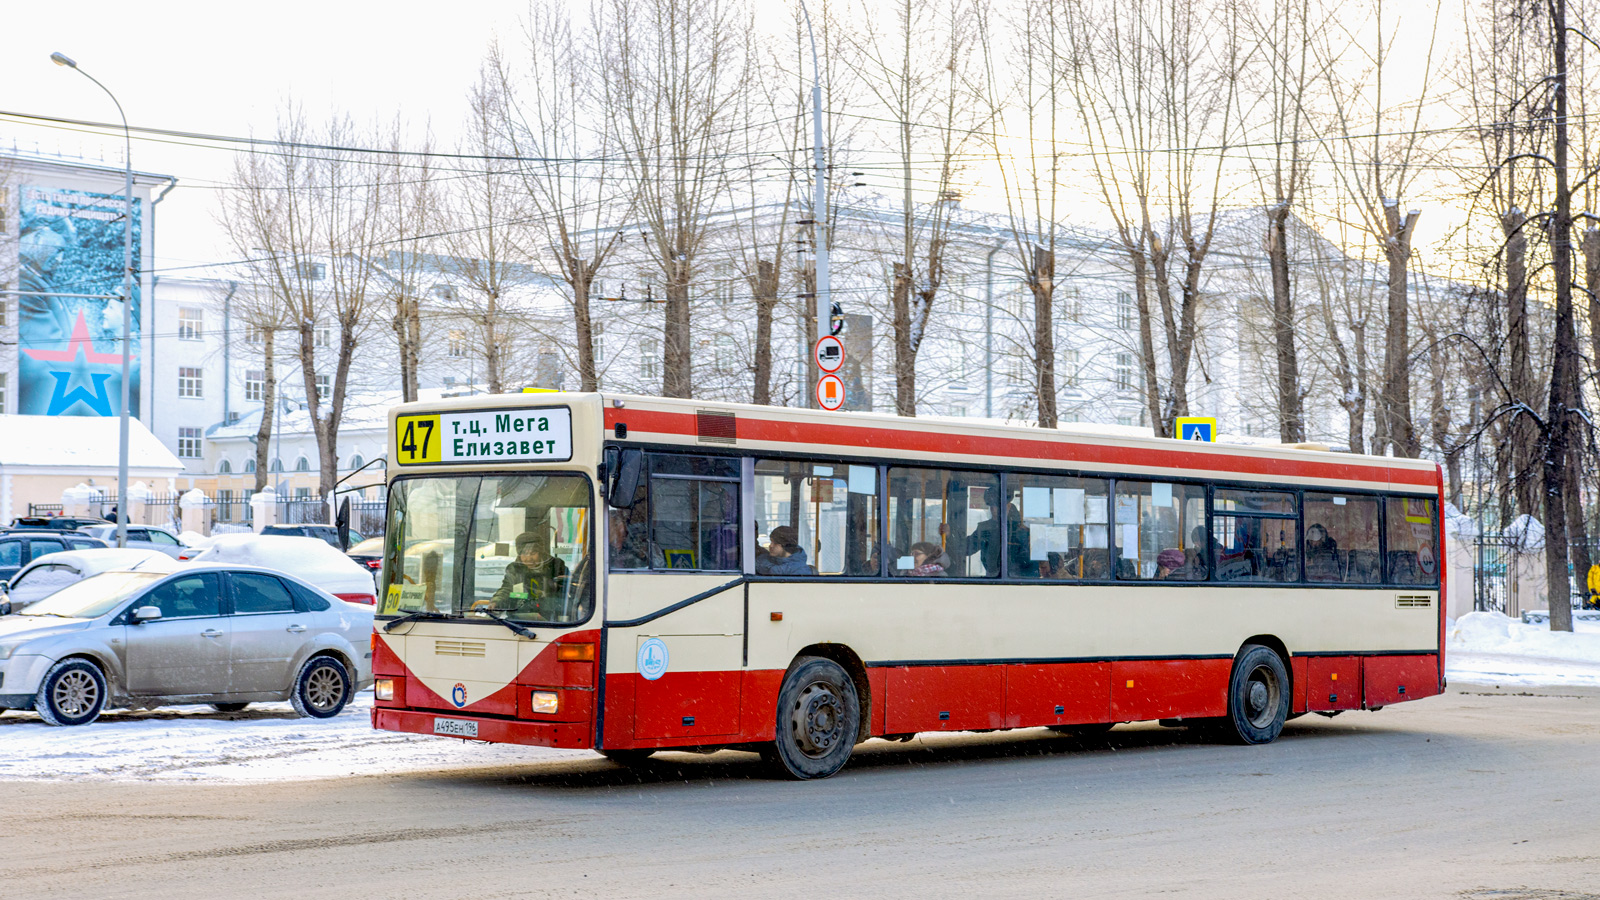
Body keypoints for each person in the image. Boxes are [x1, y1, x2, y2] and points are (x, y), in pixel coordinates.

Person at [480, 530, 569, 617]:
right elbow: (507, 589)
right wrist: (496, 602)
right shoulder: (514, 569)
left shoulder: (556, 566)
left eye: (533, 553)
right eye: (524, 554)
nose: (528, 558)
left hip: (551, 617)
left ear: (541, 552)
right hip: (520, 616)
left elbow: (567, 591)